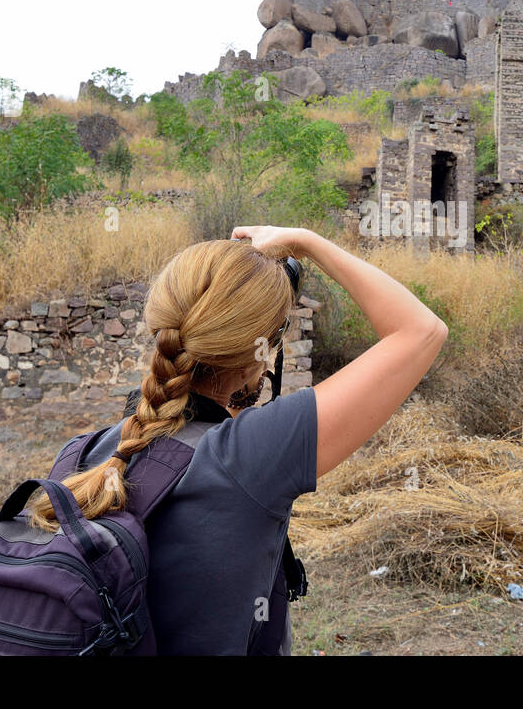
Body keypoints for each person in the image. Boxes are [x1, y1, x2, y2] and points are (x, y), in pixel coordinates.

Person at [24, 225, 448, 654]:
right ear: (255, 358)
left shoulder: (81, 454)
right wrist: (305, 242)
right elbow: (421, 331)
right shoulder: (248, 457)